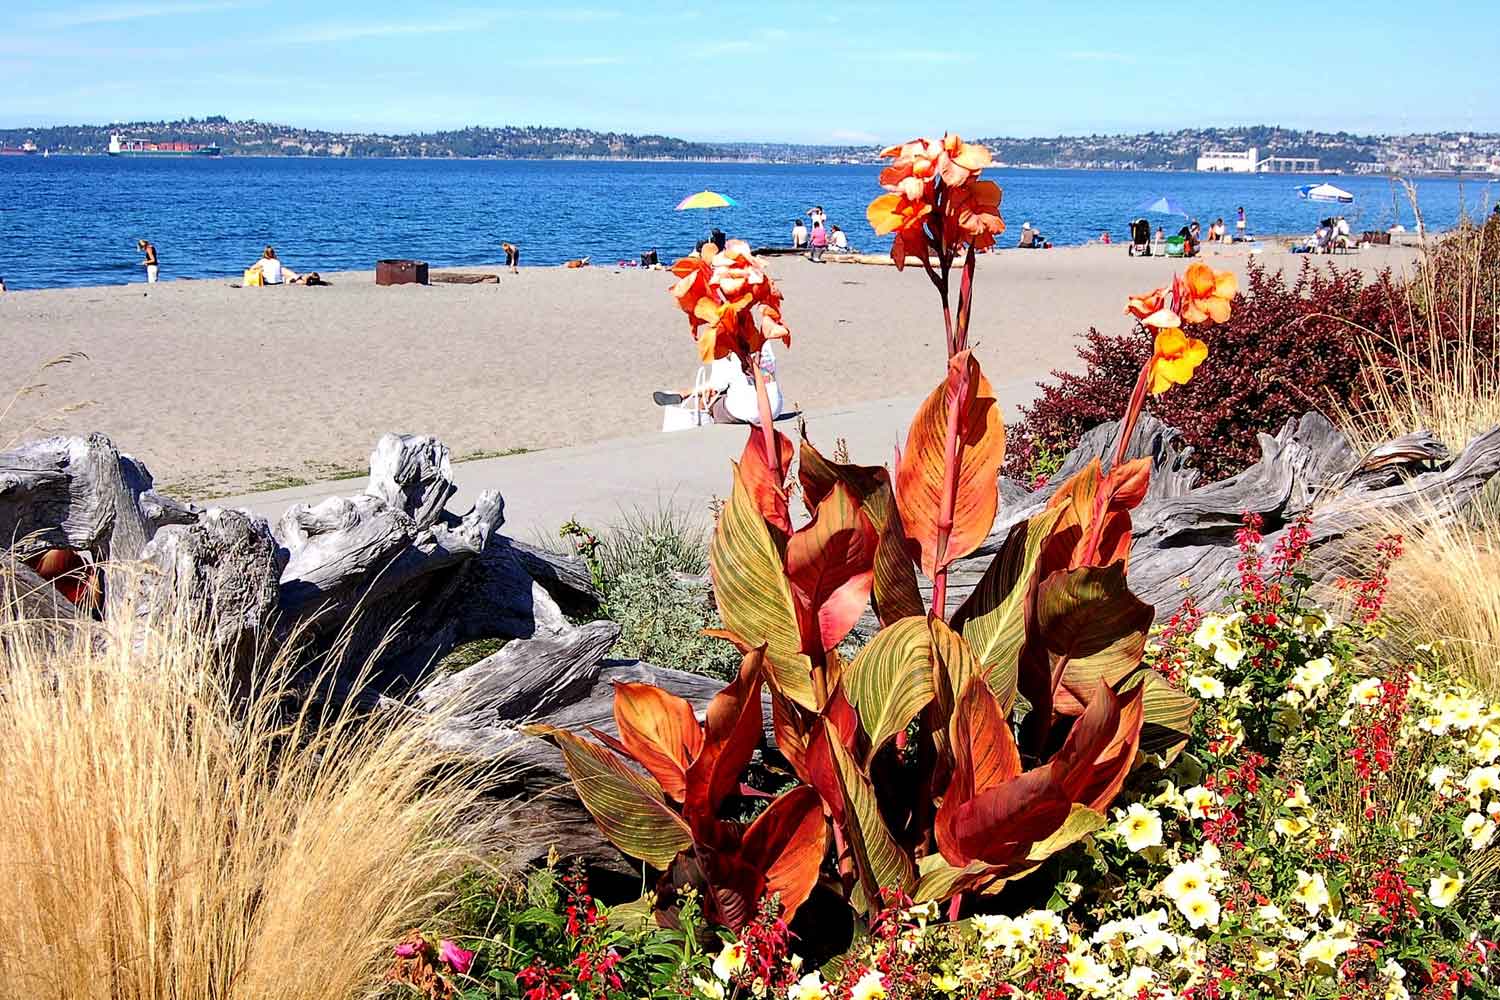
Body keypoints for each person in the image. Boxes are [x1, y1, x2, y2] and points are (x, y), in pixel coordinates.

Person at [653, 345, 783, 426]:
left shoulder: (725, 344)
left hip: (746, 411)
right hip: (773, 408)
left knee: (710, 398)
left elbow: (716, 385)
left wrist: (691, 392)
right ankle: (684, 394)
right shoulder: (761, 339)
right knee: (734, 385)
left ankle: (698, 417)